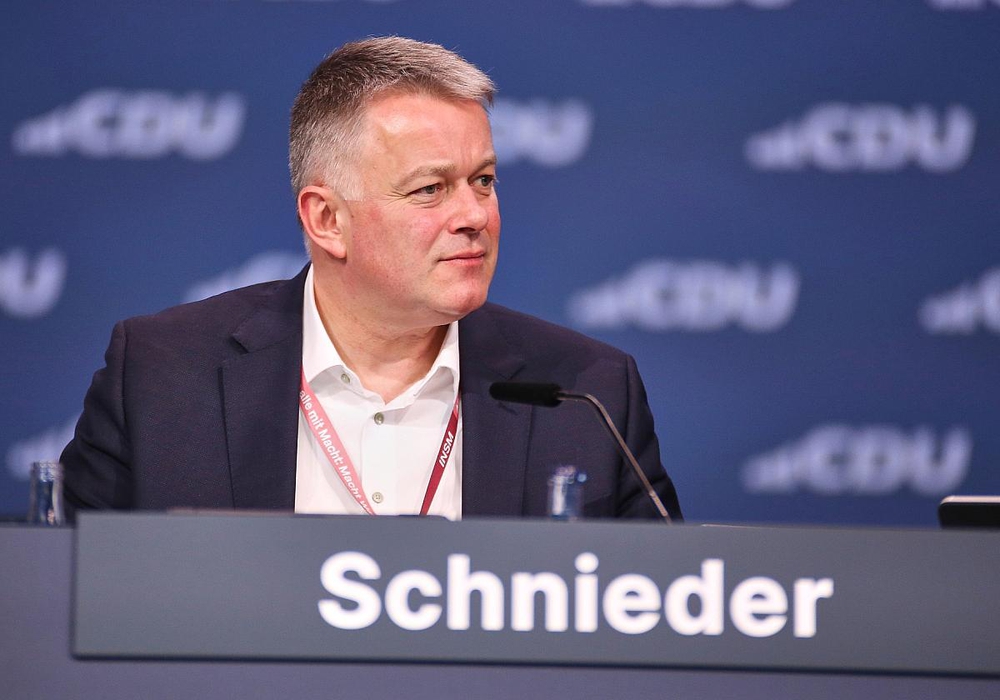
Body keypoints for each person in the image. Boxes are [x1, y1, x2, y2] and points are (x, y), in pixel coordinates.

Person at [60, 37, 682, 522]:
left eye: (483, 181)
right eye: (430, 189)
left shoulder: (589, 395)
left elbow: (656, 614)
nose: (474, 216)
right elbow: (63, 596)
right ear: (327, 220)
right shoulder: (162, 376)